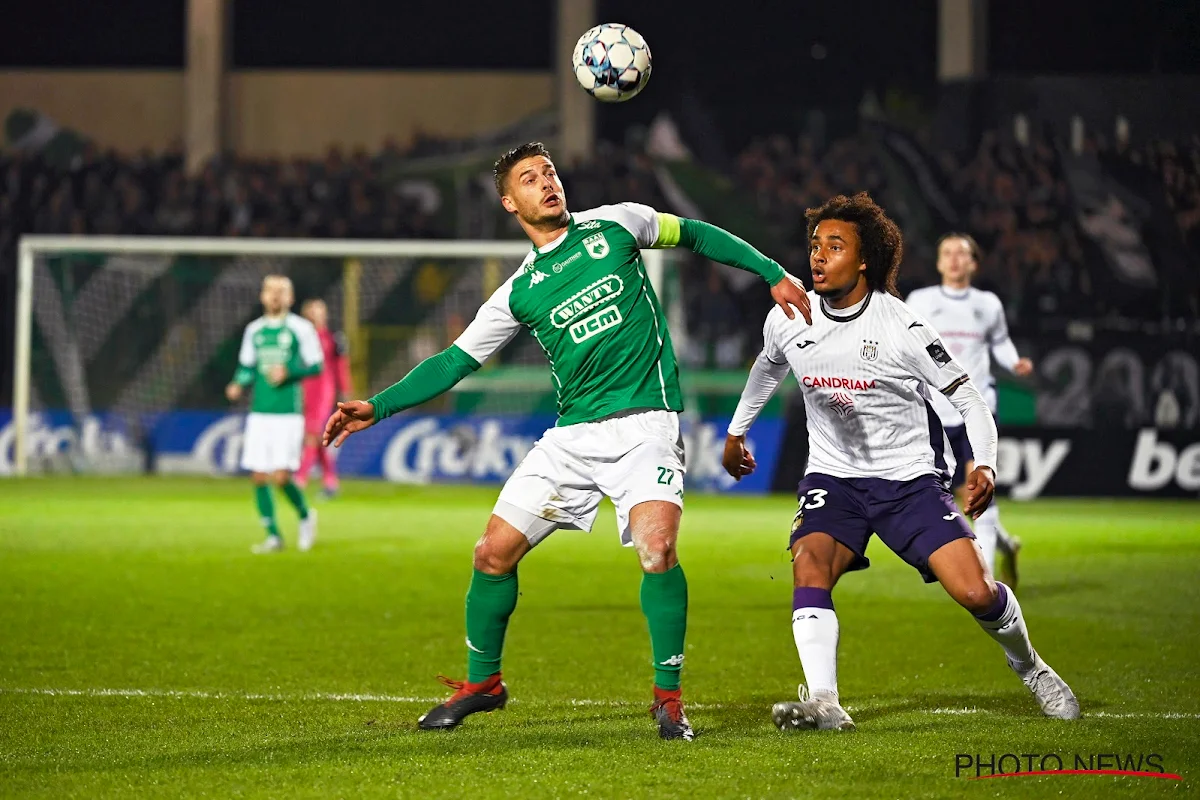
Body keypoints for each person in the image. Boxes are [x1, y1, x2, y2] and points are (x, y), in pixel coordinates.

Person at [324, 141, 811, 740]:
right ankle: (484, 684)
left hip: (646, 423)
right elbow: (454, 361)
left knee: (657, 550)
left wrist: (773, 274)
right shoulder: (519, 291)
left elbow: (697, 235)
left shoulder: (618, 223)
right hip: (572, 436)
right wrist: (378, 404)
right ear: (511, 202)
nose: (547, 183)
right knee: (490, 554)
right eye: (530, 179)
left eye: (549, 172)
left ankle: (668, 699)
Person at [722, 193, 1078, 731]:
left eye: (834, 247)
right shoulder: (789, 314)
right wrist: (736, 430)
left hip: (908, 482)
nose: (817, 257)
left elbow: (969, 398)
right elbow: (769, 366)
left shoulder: (902, 328)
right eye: (814, 245)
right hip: (833, 478)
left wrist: (983, 464)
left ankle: (1031, 667)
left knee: (976, 591)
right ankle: (825, 701)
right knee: (809, 563)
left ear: (864, 260)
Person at [906, 234, 1032, 587]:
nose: (954, 259)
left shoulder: (987, 304)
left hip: (977, 409)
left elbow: (1000, 342)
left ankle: (987, 580)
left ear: (973, 263)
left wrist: (1014, 361)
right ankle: (1007, 544)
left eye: (962, 254)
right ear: (938, 261)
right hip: (935, 410)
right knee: (947, 495)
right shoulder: (921, 300)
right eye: (947, 253)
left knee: (979, 489)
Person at [226, 275, 324, 554]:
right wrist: (237, 382)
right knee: (258, 475)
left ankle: (306, 516)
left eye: (281, 291)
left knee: (281, 477)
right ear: (262, 296)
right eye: (270, 291)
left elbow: (316, 366)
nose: (275, 296)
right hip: (259, 413)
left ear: (290, 298)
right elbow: (246, 366)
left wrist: (290, 372)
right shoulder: (254, 330)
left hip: (288, 413)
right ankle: (273, 536)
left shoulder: (300, 328)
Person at [296, 299, 352, 498]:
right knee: (318, 437)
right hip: (302, 389)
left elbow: (341, 366)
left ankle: (299, 479)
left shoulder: (334, 338)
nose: (315, 314)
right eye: (311, 310)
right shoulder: (299, 338)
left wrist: (345, 391)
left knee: (313, 434)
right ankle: (331, 482)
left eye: (319, 310)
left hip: (322, 391)